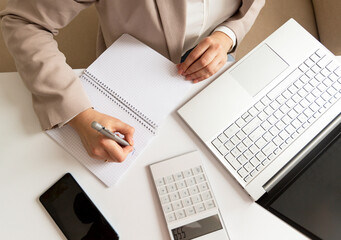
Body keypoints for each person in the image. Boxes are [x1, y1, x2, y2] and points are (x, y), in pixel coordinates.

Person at [1, 0, 264, 163]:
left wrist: (227, 35)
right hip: (129, 81)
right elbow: (23, 21)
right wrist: (78, 114)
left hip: (219, 72)